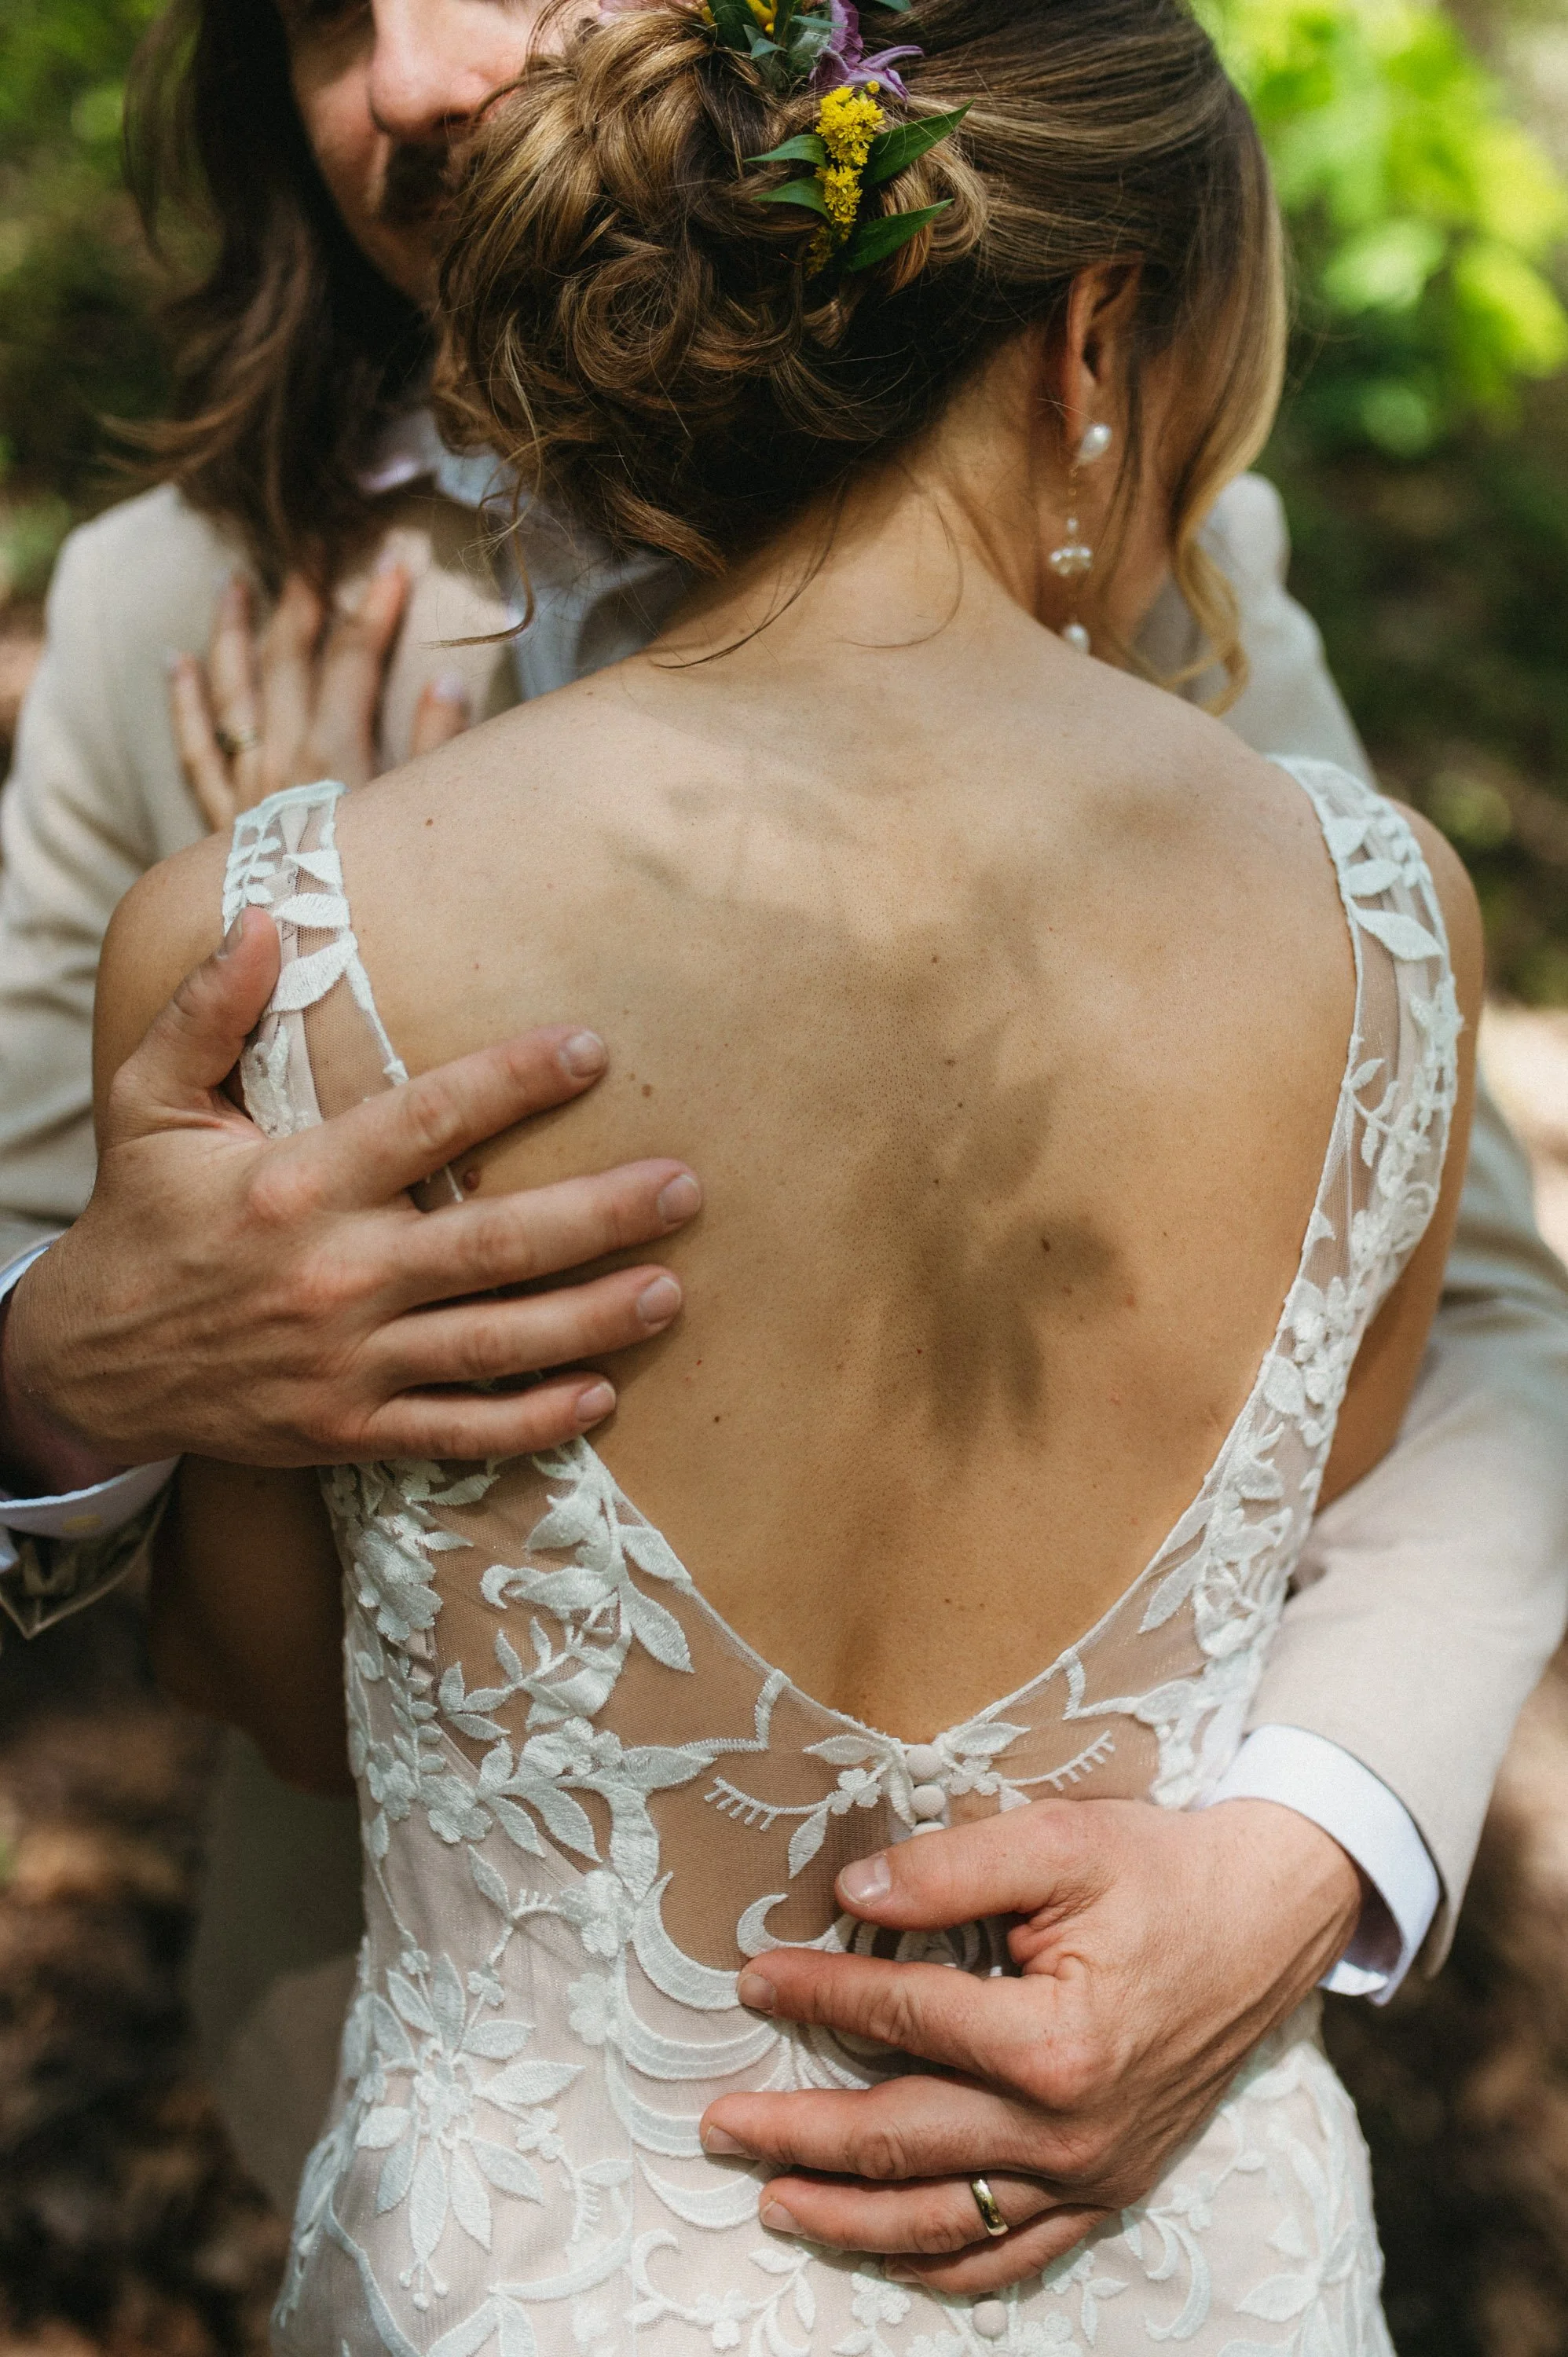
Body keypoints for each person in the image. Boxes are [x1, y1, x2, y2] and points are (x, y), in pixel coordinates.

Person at [0, 0, 1562, 2245]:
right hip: (441, 2083)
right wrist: (78, 1350)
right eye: (331, 10)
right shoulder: (164, 610)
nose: (428, 70)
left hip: (1111, 2094)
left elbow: (1472, 1322)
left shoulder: (1146, 532)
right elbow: (45, 1265)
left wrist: (1296, 1848)